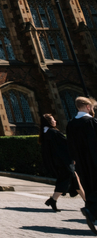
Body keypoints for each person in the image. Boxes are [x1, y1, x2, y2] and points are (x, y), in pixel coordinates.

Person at [40, 113, 84, 211]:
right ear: (49, 122)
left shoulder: (46, 134)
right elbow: (66, 146)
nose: (55, 121)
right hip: (64, 162)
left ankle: (87, 202)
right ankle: (53, 200)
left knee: (75, 181)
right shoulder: (54, 133)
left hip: (58, 162)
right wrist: (73, 158)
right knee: (65, 180)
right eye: (53, 119)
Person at [67, 96, 97, 235]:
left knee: (88, 185)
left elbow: (70, 145)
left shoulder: (71, 124)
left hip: (80, 162)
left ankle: (90, 209)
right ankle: (91, 211)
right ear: (88, 107)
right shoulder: (91, 122)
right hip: (94, 159)